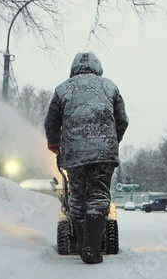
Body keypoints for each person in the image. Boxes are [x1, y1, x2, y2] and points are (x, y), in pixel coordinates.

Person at [44, 52, 128, 264]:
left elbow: (51, 122)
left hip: (74, 154)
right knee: (98, 194)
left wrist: (54, 143)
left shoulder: (63, 88)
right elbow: (122, 120)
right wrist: (110, 141)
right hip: (103, 154)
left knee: (78, 196)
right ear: (97, 68)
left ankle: (83, 244)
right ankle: (91, 247)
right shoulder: (110, 87)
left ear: (74, 69)